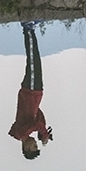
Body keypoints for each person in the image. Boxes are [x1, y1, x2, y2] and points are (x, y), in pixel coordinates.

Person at [9, 22, 52, 159]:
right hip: (35, 92)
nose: (35, 144)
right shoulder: (27, 131)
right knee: (35, 59)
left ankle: (28, 28)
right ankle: (30, 30)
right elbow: (39, 118)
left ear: (26, 148)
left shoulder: (21, 133)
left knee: (33, 58)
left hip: (30, 92)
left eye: (34, 146)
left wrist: (43, 133)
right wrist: (42, 132)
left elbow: (37, 124)